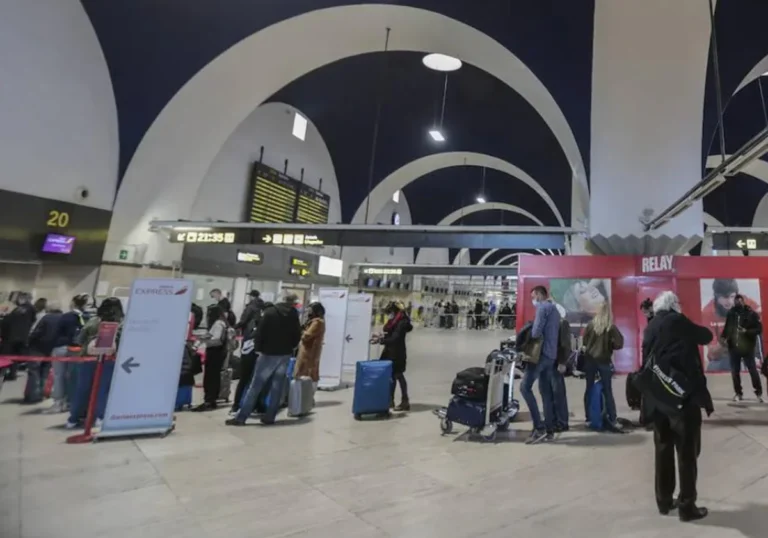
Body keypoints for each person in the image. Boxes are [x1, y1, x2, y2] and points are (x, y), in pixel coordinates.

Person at [642, 291, 713, 522]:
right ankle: (687, 506)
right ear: (674, 306)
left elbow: (645, 360)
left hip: (658, 398)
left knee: (662, 449)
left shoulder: (651, 326)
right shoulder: (678, 321)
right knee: (687, 452)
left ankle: (664, 501)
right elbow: (705, 336)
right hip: (682, 398)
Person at [227, 293, 302, 425]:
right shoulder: (293, 314)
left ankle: (241, 417)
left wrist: (258, 348)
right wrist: (292, 346)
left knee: (255, 385)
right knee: (277, 386)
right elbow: (297, 333)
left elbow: (261, 331)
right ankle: (270, 416)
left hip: (268, 352)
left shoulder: (270, 312)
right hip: (285, 353)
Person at [66, 297, 124, 428]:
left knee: (82, 389)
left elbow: (79, 340)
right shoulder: (120, 324)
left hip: (87, 359)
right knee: (103, 389)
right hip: (108, 360)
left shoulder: (92, 321)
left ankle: (73, 419)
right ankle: (100, 417)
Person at [521, 286, 561, 444]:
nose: (533, 300)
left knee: (524, 387)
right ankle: (549, 429)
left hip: (540, 355)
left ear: (539, 295)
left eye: (533, 296)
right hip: (551, 355)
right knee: (545, 392)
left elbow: (536, 332)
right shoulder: (555, 310)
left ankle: (539, 427)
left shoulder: (543, 308)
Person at [581, 303, 624, 431]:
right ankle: (612, 418)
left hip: (590, 361)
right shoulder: (611, 327)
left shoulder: (590, 325)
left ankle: (589, 418)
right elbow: (619, 343)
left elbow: (584, 343)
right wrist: (609, 345)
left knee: (589, 389)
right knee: (607, 390)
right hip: (604, 361)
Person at [43, 294, 88, 413]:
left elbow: (56, 333)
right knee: (72, 377)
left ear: (73, 303)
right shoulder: (85, 317)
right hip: (78, 350)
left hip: (61, 348)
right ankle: (68, 403)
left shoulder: (66, 316)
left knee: (59, 376)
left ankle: (58, 403)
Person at [720, 294, 763, 402]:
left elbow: (758, 329)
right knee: (735, 371)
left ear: (743, 301)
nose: (737, 303)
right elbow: (727, 327)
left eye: (739, 301)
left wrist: (747, 332)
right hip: (734, 347)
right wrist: (723, 338)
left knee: (752, 370)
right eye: (736, 301)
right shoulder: (731, 313)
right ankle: (738, 393)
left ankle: (759, 393)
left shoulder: (751, 314)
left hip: (748, 348)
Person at [374, 302, 413, 411]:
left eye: (390, 312)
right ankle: (390, 400)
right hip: (389, 351)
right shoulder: (394, 321)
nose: (388, 315)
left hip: (397, 353)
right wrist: (381, 336)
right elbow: (389, 332)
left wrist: (381, 340)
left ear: (395, 311)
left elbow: (395, 338)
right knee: (392, 377)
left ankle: (405, 401)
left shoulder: (402, 322)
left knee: (398, 375)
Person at [192, 305, 229, 412]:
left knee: (210, 377)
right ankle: (211, 400)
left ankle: (209, 400)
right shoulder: (221, 323)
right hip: (218, 353)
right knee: (213, 377)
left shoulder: (218, 324)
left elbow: (217, 340)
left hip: (215, 353)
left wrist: (204, 342)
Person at [25, 303, 63, 403]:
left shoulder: (46, 318)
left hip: (37, 348)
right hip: (52, 348)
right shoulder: (63, 318)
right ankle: (42, 394)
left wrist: (29, 342)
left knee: (34, 371)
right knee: (45, 372)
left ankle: (33, 396)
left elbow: (37, 332)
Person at [0, 292, 37, 381]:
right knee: (15, 356)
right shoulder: (31, 309)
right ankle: (12, 374)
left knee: (7, 355)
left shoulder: (17, 309)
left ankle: (4, 373)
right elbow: (33, 321)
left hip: (11, 336)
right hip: (22, 337)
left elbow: (7, 322)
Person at [294, 301, 326, 396]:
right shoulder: (315, 321)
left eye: (310, 310)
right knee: (310, 373)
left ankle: (306, 397)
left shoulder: (317, 322)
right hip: (310, 351)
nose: (308, 312)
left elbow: (307, 336)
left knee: (308, 373)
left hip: (309, 352)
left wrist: (301, 332)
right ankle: (305, 398)